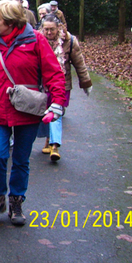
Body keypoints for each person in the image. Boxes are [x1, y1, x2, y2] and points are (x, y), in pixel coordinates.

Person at [0, 0, 65, 227]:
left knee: (21, 160)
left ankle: (17, 200)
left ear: (9, 21)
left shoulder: (36, 40)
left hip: (27, 110)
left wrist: (57, 104)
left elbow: (54, 74)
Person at [37, 14, 93, 161]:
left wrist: (85, 82)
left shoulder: (70, 41)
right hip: (43, 84)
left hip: (62, 84)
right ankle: (48, 139)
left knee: (57, 112)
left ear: (59, 28)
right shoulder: (37, 40)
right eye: (46, 29)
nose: (49, 33)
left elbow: (79, 63)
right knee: (45, 111)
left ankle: (54, 145)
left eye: (52, 30)